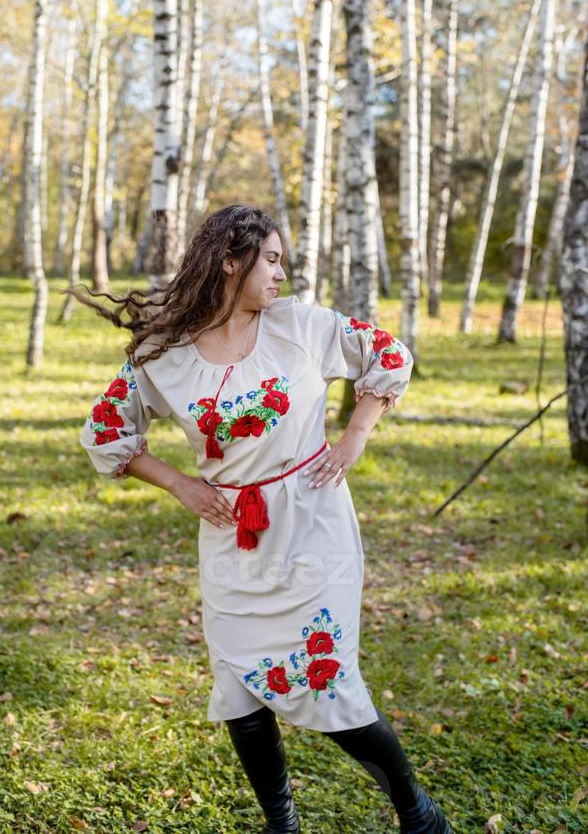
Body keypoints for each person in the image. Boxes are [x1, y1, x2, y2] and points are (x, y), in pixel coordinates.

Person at [73, 205, 452, 833]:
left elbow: (387, 352)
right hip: (229, 536)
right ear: (230, 261)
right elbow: (107, 430)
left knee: (328, 681)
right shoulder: (164, 355)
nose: (281, 273)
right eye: (270, 259)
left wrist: (356, 433)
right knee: (239, 688)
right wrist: (178, 484)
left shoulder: (300, 325)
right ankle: (282, 823)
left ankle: (417, 813)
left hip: (312, 521)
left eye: (281, 261)